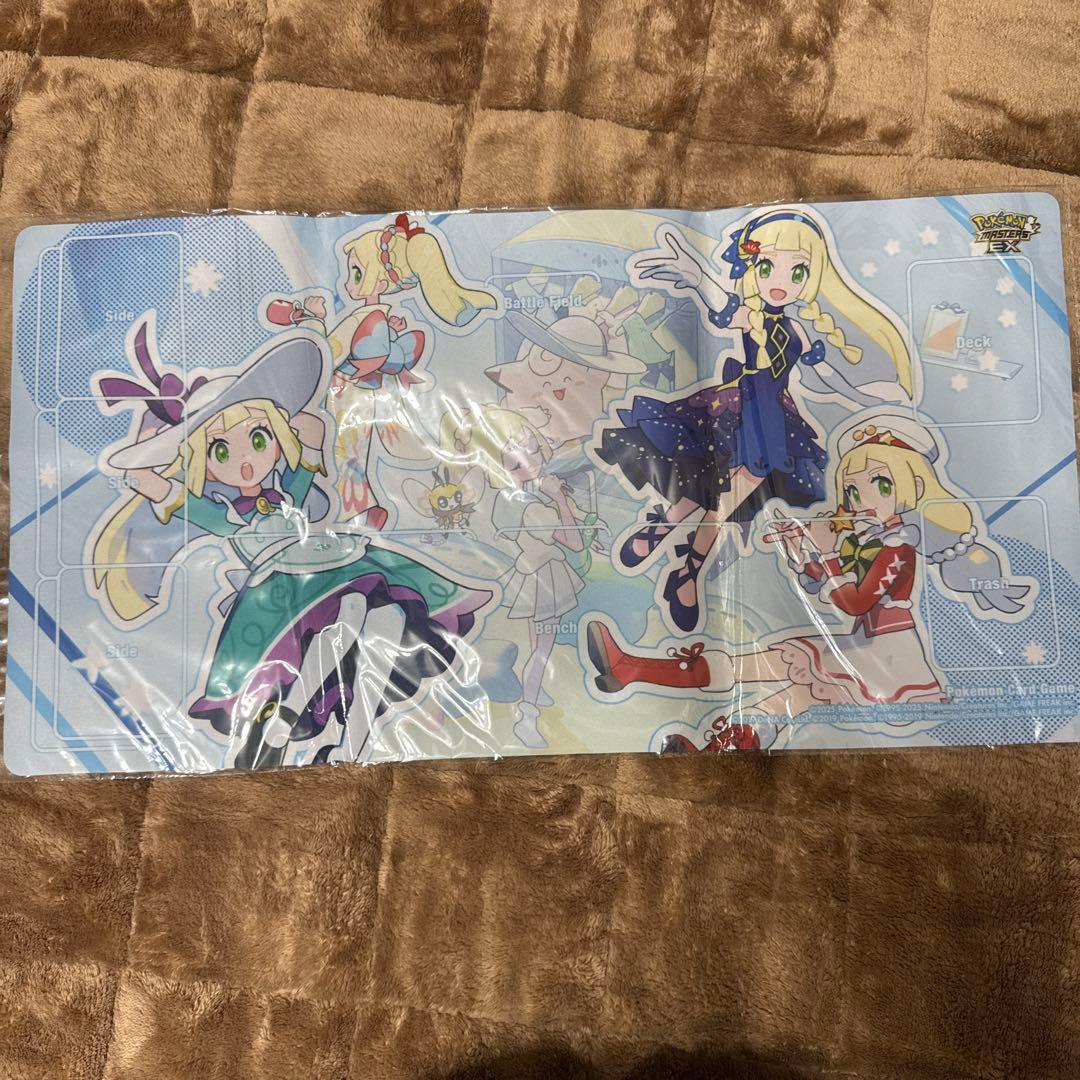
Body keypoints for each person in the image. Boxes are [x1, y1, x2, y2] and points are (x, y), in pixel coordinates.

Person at [89, 316, 491, 768]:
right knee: (355, 607)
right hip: (278, 588)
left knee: (389, 617)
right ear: (204, 462)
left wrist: (304, 420)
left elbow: (309, 446)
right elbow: (149, 482)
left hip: (333, 562)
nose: (245, 460)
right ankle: (291, 711)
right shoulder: (223, 515)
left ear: (276, 439)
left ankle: (352, 745)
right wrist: (153, 437)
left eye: (258, 438)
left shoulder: (288, 493)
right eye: (221, 451)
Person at [586, 413, 1032, 750]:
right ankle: (633, 671)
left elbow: (855, 602)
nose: (860, 499)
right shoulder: (868, 538)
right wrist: (803, 551)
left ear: (913, 485)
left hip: (890, 660)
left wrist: (828, 555)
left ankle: (665, 698)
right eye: (852, 490)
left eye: (879, 484)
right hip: (861, 646)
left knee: (782, 681)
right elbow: (823, 586)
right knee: (767, 674)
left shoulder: (898, 546)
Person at [594, 210, 913, 633]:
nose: (781, 280)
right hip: (737, 408)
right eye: (767, 267)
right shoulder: (750, 314)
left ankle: (679, 558)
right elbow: (719, 303)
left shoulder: (798, 331)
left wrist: (865, 396)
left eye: (797, 270)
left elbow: (826, 377)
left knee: (722, 501)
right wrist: (697, 274)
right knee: (713, 492)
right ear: (752, 269)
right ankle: (677, 558)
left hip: (774, 423)